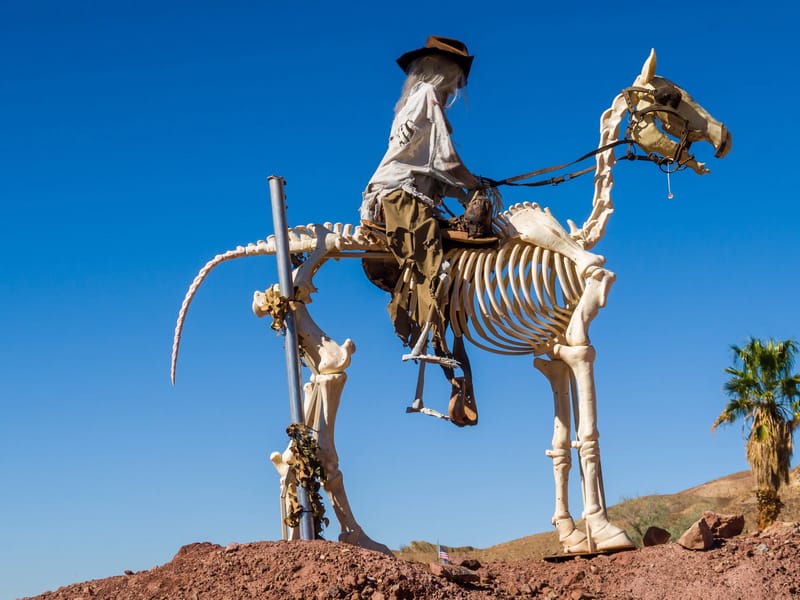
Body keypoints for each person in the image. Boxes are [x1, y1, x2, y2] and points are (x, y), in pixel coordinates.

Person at [360, 35, 484, 365]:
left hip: (400, 196)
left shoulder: (412, 103)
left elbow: (432, 172)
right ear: (441, 70)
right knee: (437, 270)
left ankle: (425, 333)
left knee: (433, 264)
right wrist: (473, 185)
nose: (458, 82)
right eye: (456, 72)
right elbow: (445, 161)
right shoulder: (428, 96)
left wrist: (463, 190)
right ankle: (435, 344)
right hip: (401, 199)